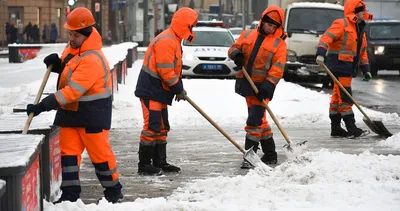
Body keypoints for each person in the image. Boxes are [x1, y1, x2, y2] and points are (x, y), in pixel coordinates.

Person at [25, 7, 123, 203]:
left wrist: (43, 106)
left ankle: (113, 190)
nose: (71, 37)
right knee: (68, 156)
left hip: (92, 116)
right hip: (70, 114)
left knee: (100, 156)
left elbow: (72, 91)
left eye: (75, 34)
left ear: (86, 35)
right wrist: (58, 64)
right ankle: (70, 196)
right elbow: (70, 70)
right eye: (70, 33)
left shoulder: (93, 59)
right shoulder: (73, 49)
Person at [134, 7, 198, 175]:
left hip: (160, 90)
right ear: (183, 25)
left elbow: (173, 70)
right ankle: (144, 165)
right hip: (151, 90)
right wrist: (178, 88)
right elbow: (166, 71)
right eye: (190, 27)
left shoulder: (174, 40)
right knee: (152, 126)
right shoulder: (167, 41)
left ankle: (160, 162)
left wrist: (177, 89)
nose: (192, 31)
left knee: (162, 127)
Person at [228, 6, 287, 169]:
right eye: (270, 25)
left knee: (254, 121)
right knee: (260, 120)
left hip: (262, 88)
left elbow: (277, 69)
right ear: (263, 21)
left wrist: (267, 87)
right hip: (247, 84)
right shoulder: (247, 34)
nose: (271, 29)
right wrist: (237, 55)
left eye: (275, 27)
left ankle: (250, 156)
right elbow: (233, 48)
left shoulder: (279, 44)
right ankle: (270, 154)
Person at [316, 0, 372, 139]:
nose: (363, 14)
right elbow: (326, 38)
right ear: (353, 12)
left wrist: (366, 69)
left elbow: (362, 51)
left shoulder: (360, 29)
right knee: (346, 97)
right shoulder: (341, 24)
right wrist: (321, 54)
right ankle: (351, 128)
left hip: (348, 67)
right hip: (338, 65)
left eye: (363, 11)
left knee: (337, 97)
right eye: (360, 11)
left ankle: (335, 129)